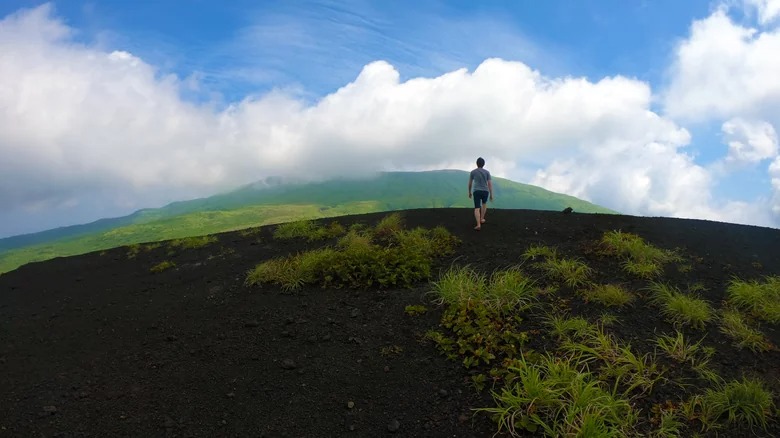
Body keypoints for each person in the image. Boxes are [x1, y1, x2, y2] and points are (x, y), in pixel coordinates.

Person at [468, 157, 493, 230]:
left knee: (477, 208)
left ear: (477, 163)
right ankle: (482, 219)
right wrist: (491, 194)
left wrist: (469, 192)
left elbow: (470, 183)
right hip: (485, 191)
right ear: (483, 164)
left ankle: (478, 224)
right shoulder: (487, 172)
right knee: (484, 204)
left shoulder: (473, 172)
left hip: (476, 191)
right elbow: (489, 184)